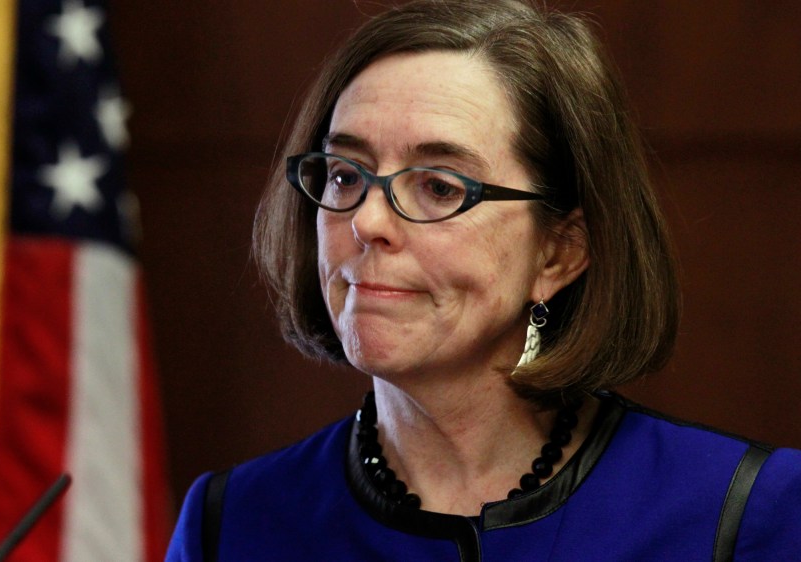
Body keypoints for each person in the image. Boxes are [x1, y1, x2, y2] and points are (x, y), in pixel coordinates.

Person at [167, 1, 801, 560]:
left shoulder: (746, 512)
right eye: (344, 175)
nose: (367, 221)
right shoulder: (231, 522)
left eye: (440, 187)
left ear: (559, 253)